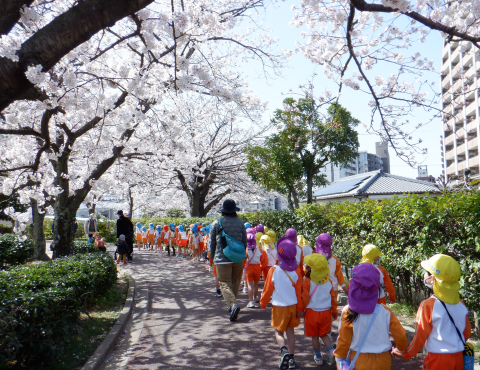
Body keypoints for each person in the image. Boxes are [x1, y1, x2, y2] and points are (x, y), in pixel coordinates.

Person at [392, 254, 471, 370]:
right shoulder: (460, 304)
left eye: (426, 272)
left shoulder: (428, 305)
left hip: (437, 359)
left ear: (432, 278)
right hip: (459, 358)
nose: (424, 275)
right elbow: (467, 332)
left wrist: (406, 353)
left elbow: (420, 336)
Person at [334, 263, 407, 370]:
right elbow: (400, 335)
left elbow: (344, 340)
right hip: (384, 360)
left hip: (359, 360)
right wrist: (402, 349)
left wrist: (340, 357)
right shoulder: (386, 311)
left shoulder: (348, 311)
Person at [260, 236, 303, 370]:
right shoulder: (297, 271)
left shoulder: (273, 270)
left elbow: (267, 290)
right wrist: (300, 308)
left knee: (278, 332)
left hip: (279, 306)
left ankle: (283, 350)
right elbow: (299, 293)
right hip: (293, 306)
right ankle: (291, 358)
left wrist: (263, 303)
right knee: (291, 332)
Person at [209, 199, 247, 322]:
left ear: (223, 211)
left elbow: (212, 242)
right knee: (236, 282)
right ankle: (232, 304)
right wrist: (241, 254)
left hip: (222, 258)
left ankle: (232, 304)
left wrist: (212, 256)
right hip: (238, 258)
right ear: (234, 210)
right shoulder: (240, 222)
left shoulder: (217, 222)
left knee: (224, 282)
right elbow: (244, 241)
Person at [301, 253, 337, 366]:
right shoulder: (329, 282)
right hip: (326, 312)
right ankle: (331, 351)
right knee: (325, 334)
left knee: (315, 336)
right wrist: (334, 312)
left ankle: (318, 356)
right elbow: (333, 299)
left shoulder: (307, 281)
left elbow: (305, 298)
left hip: (312, 312)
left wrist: (301, 309)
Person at [316, 233, 349, 301]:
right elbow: (339, 275)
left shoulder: (313, 259)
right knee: (332, 308)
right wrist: (345, 288)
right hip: (333, 289)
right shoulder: (335, 260)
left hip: (318, 288)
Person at [245, 233, 268, 308]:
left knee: (250, 285)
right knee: (256, 285)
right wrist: (261, 267)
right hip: (258, 268)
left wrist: (243, 266)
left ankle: (251, 302)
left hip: (249, 268)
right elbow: (265, 261)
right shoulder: (260, 250)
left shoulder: (246, 250)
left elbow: (243, 260)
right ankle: (255, 298)